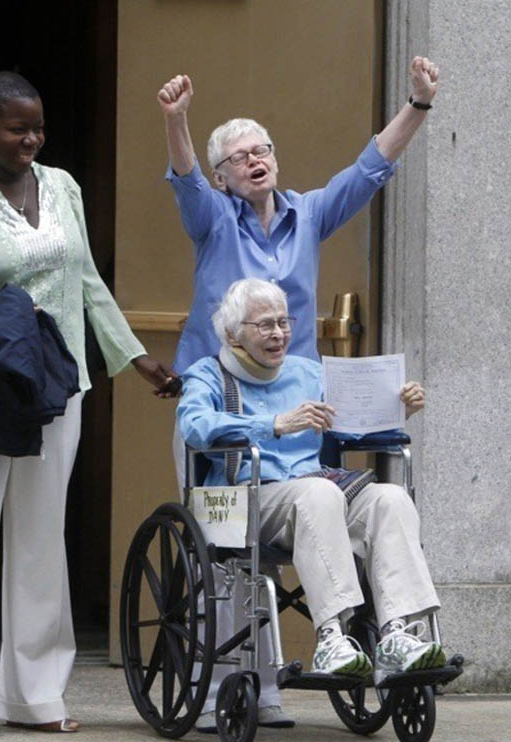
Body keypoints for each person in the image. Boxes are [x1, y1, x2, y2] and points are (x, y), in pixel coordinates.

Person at [158, 55, 439, 727]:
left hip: (299, 405)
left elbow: (369, 169)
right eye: (241, 156)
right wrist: (177, 120)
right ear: (226, 175)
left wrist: (420, 105)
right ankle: (231, 683)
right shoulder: (214, 219)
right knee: (228, 559)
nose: (256, 160)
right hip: (225, 399)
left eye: (265, 150)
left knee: (368, 494)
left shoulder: (307, 215)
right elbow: (186, 178)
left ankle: (400, 633)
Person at [0, 71, 177, 741]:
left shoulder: (62, 188)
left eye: (39, 127)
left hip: (57, 384)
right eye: (16, 127)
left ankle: (33, 692)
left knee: (39, 538)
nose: (31, 138)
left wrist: (133, 356)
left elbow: (85, 280)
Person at [178, 278, 444, 689]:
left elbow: (355, 425)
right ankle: (332, 637)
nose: (279, 333)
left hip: (316, 493)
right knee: (319, 494)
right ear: (233, 333)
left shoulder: (307, 372)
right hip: (251, 497)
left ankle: (398, 633)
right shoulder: (208, 375)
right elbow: (194, 426)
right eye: (265, 324)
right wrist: (273, 424)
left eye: (284, 322)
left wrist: (398, 408)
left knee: (389, 499)